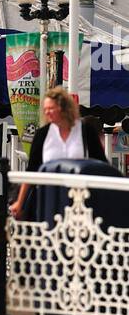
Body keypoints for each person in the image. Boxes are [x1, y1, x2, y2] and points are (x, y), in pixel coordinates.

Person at [9, 87, 107, 219]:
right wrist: (19, 203)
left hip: (81, 198)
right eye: (45, 109)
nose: (47, 112)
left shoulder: (85, 131)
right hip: (50, 197)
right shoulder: (42, 134)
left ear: (64, 108)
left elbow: (101, 163)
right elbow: (32, 170)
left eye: (51, 108)